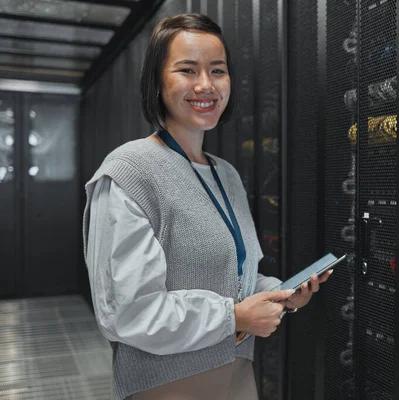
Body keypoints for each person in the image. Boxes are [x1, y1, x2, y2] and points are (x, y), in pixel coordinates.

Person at [82, 13, 332, 400]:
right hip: (165, 385)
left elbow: (230, 278)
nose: (205, 85)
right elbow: (127, 311)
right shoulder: (129, 173)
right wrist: (234, 317)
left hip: (236, 375)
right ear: (156, 81)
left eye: (217, 70)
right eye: (187, 70)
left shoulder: (225, 174)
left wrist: (279, 294)